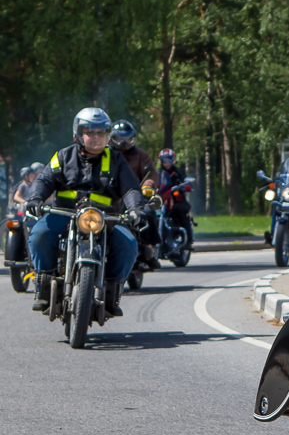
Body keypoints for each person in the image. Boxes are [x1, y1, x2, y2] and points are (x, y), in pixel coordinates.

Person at [24, 107, 146, 316]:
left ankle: (112, 292)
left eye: (101, 132)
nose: (96, 137)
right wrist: (35, 198)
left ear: (108, 135)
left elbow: (131, 189)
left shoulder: (117, 161)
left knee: (128, 243)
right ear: (79, 134)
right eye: (90, 132)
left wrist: (136, 209)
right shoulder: (63, 156)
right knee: (39, 234)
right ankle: (44, 285)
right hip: (64, 214)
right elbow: (44, 180)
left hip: (104, 218)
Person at [111, 120, 161, 267]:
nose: (123, 142)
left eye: (127, 138)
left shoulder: (141, 155)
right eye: (119, 138)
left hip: (134, 196)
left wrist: (148, 186)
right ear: (112, 137)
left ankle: (150, 248)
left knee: (148, 212)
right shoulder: (106, 153)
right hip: (110, 196)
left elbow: (151, 174)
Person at [158, 148, 194, 249]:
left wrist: (186, 186)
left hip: (177, 199)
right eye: (164, 160)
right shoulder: (157, 173)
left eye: (169, 159)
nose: (166, 163)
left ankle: (188, 240)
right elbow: (151, 181)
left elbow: (185, 181)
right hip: (161, 199)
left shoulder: (178, 172)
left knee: (181, 210)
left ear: (173, 160)